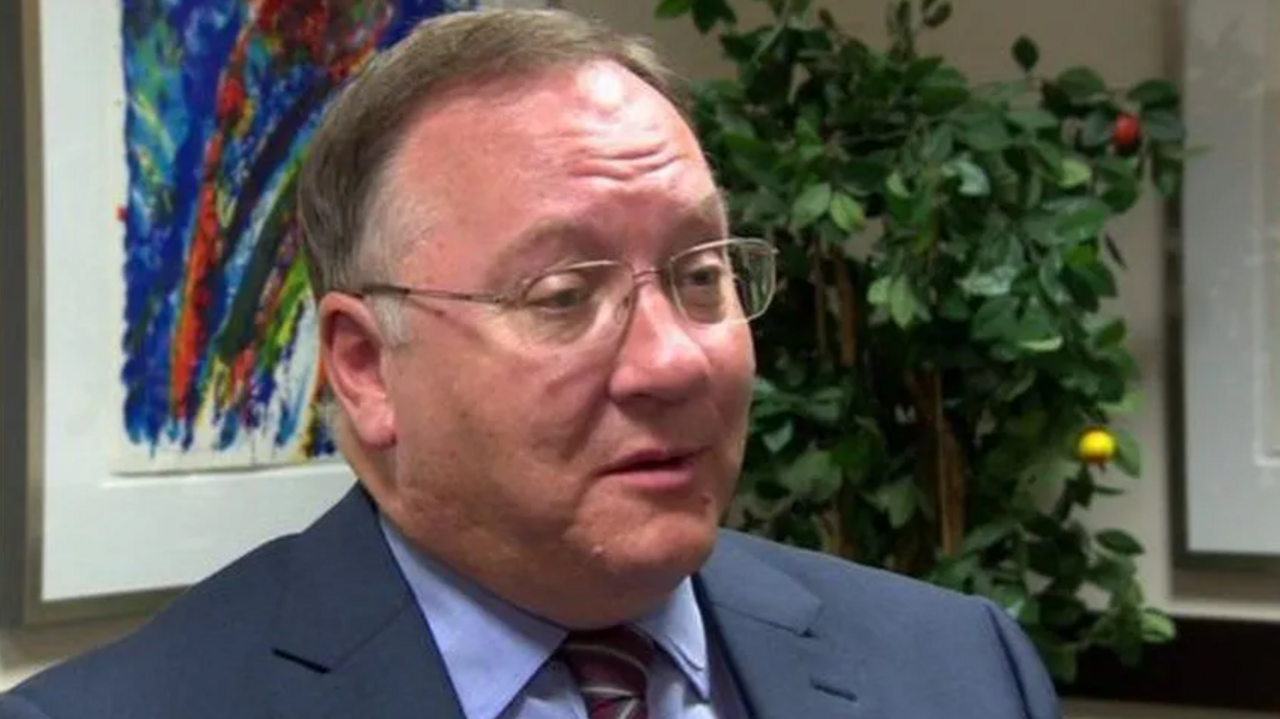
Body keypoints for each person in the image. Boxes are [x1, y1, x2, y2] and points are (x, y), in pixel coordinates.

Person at [0, 8, 1061, 719]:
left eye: (700, 276)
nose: (671, 363)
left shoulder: (957, 668)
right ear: (366, 366)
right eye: (563, 296)